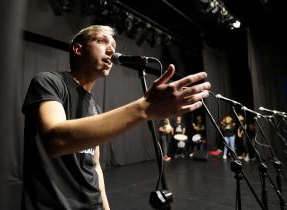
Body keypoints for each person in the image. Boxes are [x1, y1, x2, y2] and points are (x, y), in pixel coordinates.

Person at [21, 25, 211, 210]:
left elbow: (94, 164)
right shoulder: (49, 82)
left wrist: (105, 206)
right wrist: (143, 109)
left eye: (113, 45)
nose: (111, 49)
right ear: (78, 49)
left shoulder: (95, 107)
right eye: (102, 41)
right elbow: (56, 140)